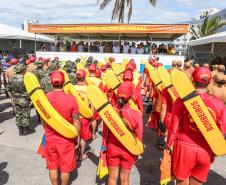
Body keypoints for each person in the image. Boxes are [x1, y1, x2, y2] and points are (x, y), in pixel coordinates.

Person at [167, 67, 226, 185]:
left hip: (184, 148)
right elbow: (221, 133)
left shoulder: (181, 101)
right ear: (210, 82)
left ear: (192, 81)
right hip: (205, 150)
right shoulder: (219, 104)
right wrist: (214, 152)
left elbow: (174, 126)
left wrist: (169, 145)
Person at [41, 70, 81, 185]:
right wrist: (76, 136)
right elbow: (76, 120)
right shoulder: (71, 99)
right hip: (66, 140)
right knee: (65, 168)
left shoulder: (45, 98)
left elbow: (43, 120)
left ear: (51, 82)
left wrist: (47, 131)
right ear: (64, 82)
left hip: (50, 138)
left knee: (52, 167)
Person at [102, 82, 143, 185]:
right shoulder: (136, 114)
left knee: (112, 178)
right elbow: (139, 136)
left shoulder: (109, 111)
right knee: (125, 180)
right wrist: (137, 152)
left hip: (112, 148)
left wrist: (103, 146)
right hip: (128, 150)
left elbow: (105, 132)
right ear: (130, 97)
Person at [6, 64, 34, 135]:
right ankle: (25, 130)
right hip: (24, 99)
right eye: (24, 69)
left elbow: (8, 89)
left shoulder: (11, 78)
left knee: (18, 114)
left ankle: (20, 131)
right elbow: (30, 90)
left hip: (16, 99)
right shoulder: (25, 78)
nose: (25, 70)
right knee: (25, 114)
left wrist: (12, 98)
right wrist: (31, 99)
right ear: (22, 70)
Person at [75, 69, 93, 160]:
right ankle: (81, 155)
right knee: (83, 137)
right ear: (85, 77)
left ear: (76, 77)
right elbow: (92, 104)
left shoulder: (72, 88)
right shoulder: (89, 89)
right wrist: (92, 116)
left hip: (74, 116)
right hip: (85, 116)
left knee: (75, 134)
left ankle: (75, 154)